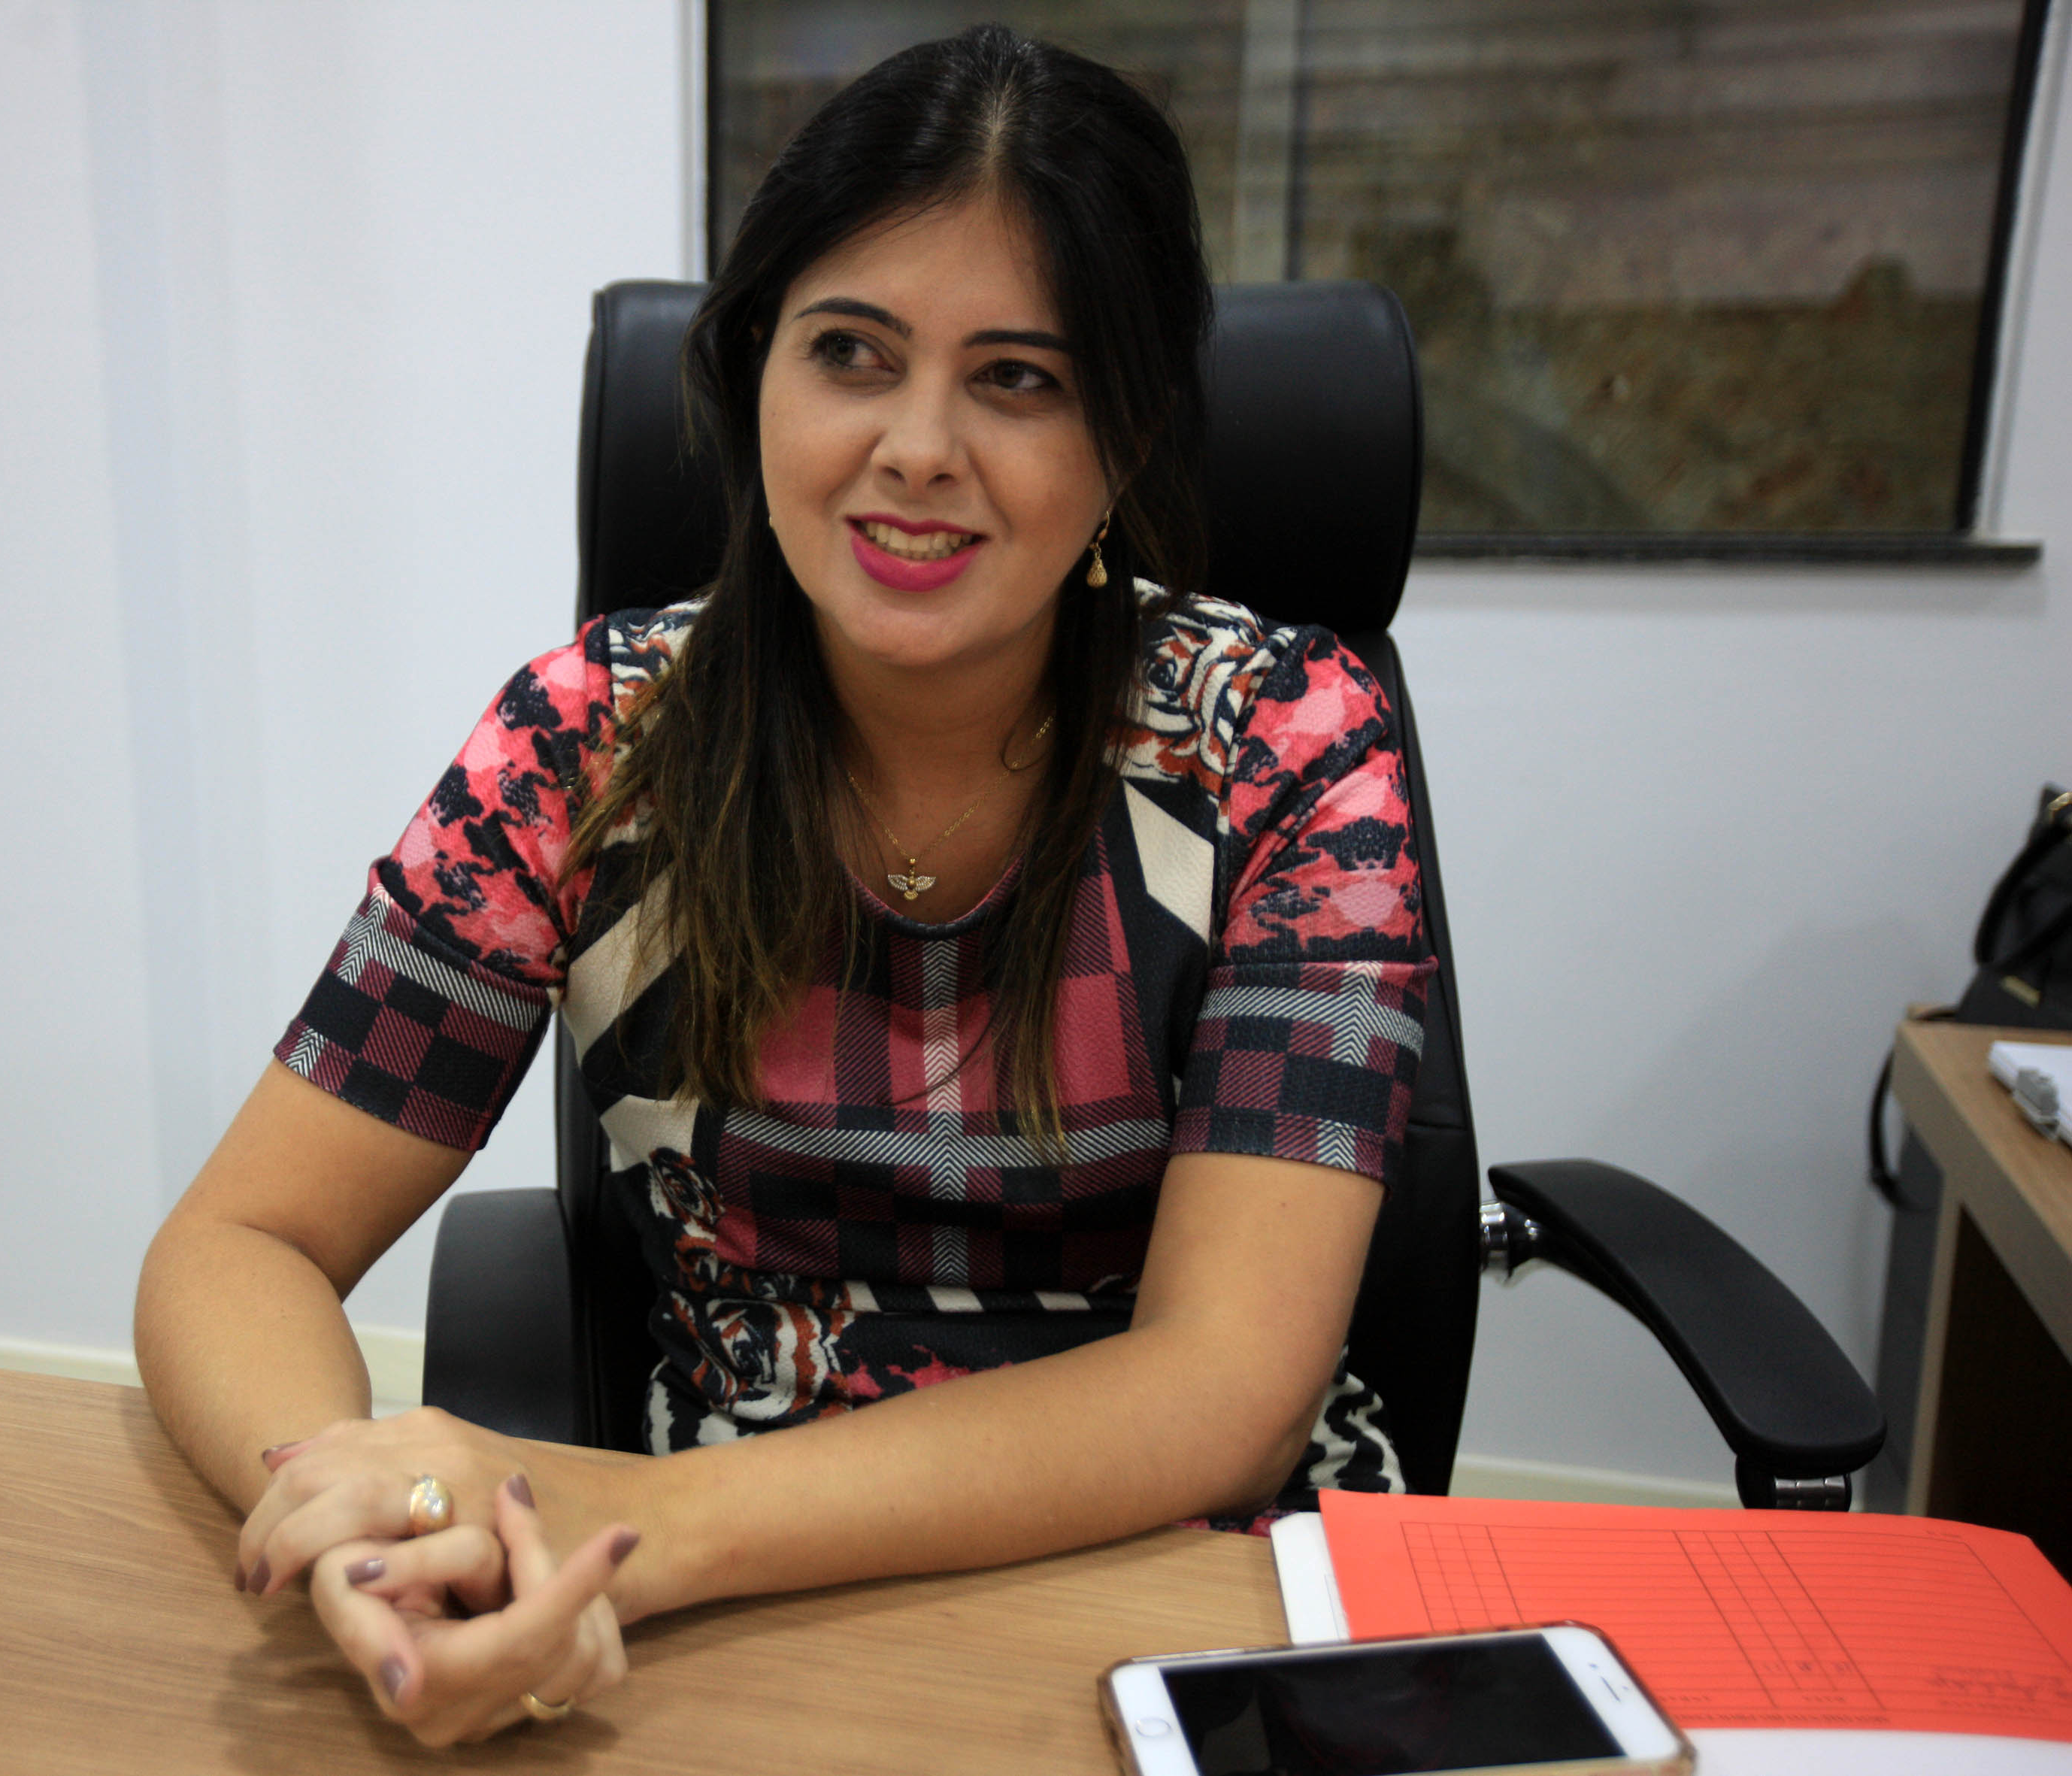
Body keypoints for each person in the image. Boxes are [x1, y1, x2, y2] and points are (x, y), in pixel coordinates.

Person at [135, 23, 1432, 1747]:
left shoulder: (1283, 745)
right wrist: (364, 1519)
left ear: (1125, 434)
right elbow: (239, 1240)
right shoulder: (588, 741)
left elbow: (1224, 1387)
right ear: (754, 375)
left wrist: (639, 1525)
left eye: (1016, 379)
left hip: (1179, 1578)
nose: (915, 447)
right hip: (729, 1618)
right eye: (849, 354)